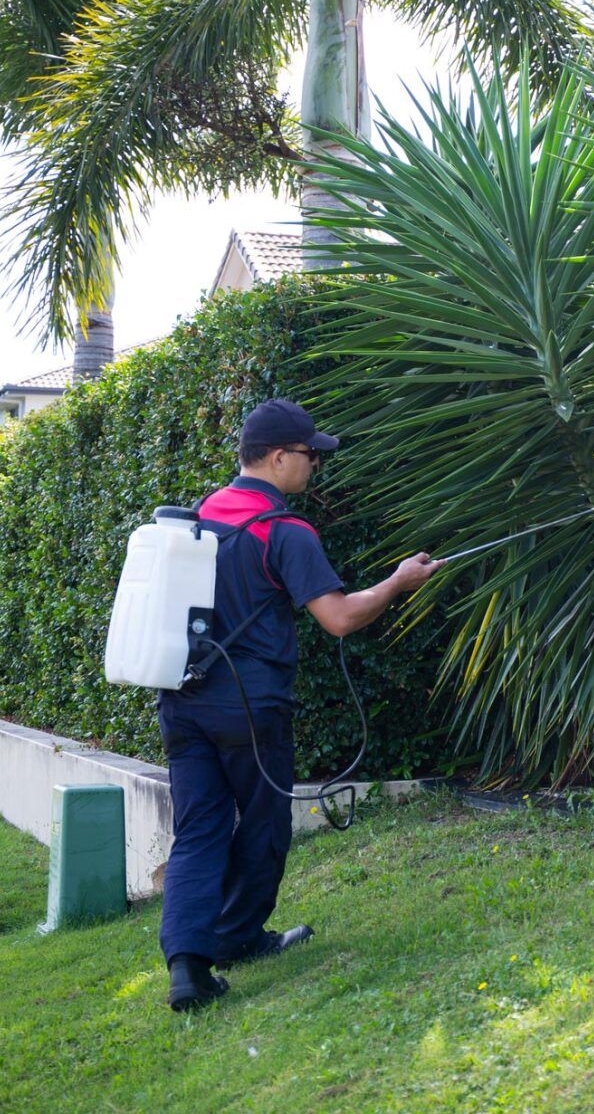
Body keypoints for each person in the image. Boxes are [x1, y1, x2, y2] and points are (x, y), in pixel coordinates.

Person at [161, 398, 444, 1012]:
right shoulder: (285, 531)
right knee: (265, 824)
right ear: (277, 457)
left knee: (198, 829)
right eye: (310, 454)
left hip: (182, 701)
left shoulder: (200, 516)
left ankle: (187, 969)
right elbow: (339, 618)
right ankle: (238, 937)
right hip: (250, 710)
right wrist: (397, 582)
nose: (315, 463)